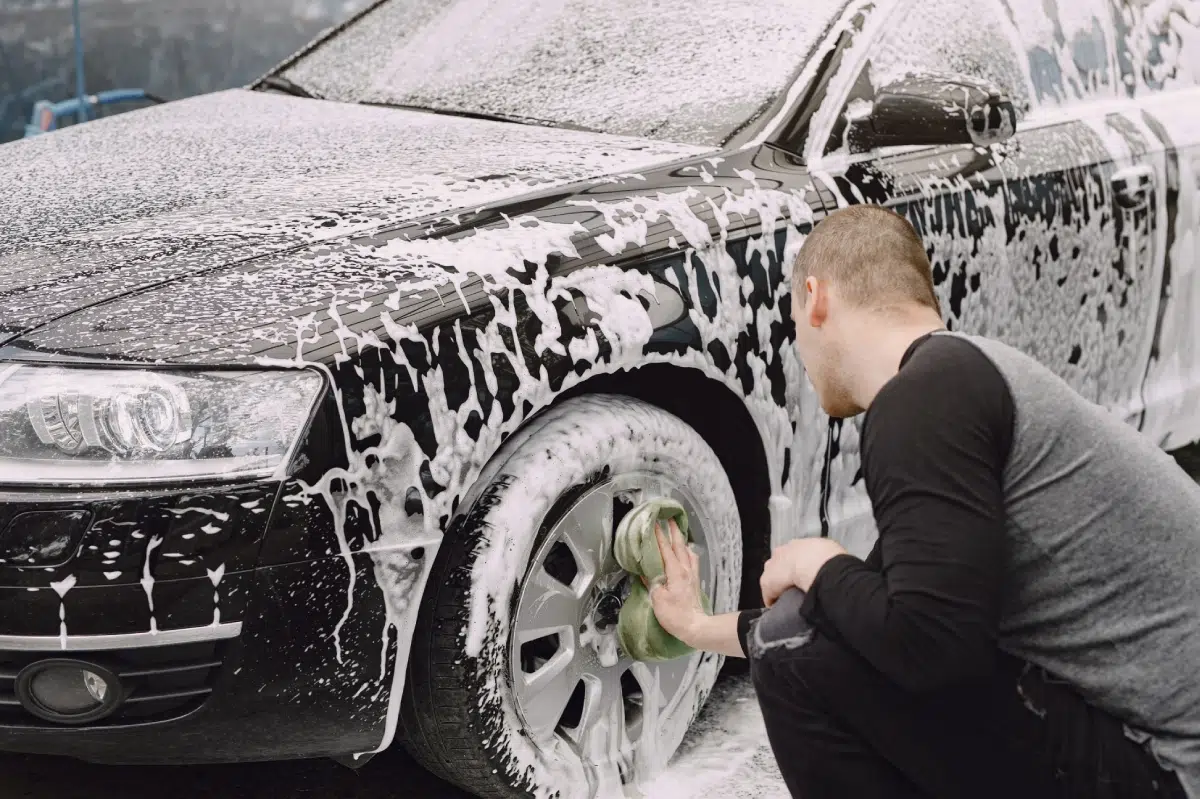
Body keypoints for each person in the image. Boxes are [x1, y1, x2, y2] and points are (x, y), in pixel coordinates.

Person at [648, 204, 1200, 799]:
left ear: (815, 298)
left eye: (795, 329)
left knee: (791, 650)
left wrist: (822, 564)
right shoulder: (959, 381)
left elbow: (929, 647)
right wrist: (696, 625)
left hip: (1163, 767)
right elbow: (859, 617)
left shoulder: (922, 401)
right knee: (805, 629)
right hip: (1151, 747)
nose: (801, 357)